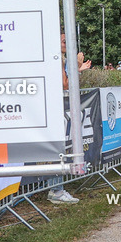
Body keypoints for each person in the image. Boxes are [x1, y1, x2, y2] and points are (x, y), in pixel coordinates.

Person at [50, 32, 90, 205]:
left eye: (68, 41)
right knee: (58, 148)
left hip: (55, 106)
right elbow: (65, 84)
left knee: (60, 147)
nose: (67, 43)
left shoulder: (59, 58)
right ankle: (56, 189)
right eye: (64, 41)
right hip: (54, 107)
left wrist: (77, 69)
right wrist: (77, 65)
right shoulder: (58, 58)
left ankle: (56, 188)